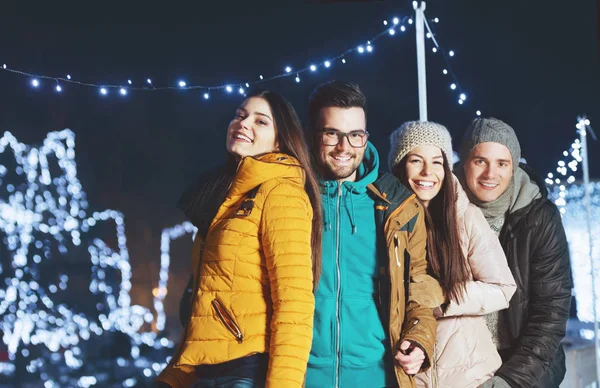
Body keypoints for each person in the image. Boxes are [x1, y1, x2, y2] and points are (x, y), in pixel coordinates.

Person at [157, 90, 322, 388]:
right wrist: (172, 378)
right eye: (240, 115)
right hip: (208, 371)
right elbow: (204, 300)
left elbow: (294, 303)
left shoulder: (281, 193)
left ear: (280, 141)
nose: (243, 124)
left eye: (261, 121)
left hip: (245, 370)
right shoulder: (224, 198)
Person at [304, 81, 443, 388]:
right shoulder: (292, 197)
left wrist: (419, 338)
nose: (344, 147)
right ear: (314, 135)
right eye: (332, 134)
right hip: (300, 374)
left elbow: (419, 284)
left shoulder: (398, 205)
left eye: (355, 135)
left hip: (375, 375)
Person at [388, 121, 516, 387]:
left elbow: (503, 288)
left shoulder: (465, 216)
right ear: (400, 165)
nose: (428, 172)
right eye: (416, 160)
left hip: (471, 376)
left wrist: (444, 298)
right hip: (411, 375)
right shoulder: (386, 222)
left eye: (437, 162)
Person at [457, 117, 572, 388]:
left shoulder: (539, 217)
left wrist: (510, 380)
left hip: (526, 366)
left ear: (513, 167)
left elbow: (551, 311)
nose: (490, 174)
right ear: (464, 162)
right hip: (462, 364)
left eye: (502, 163)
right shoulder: (442, 209)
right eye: (480, 161)